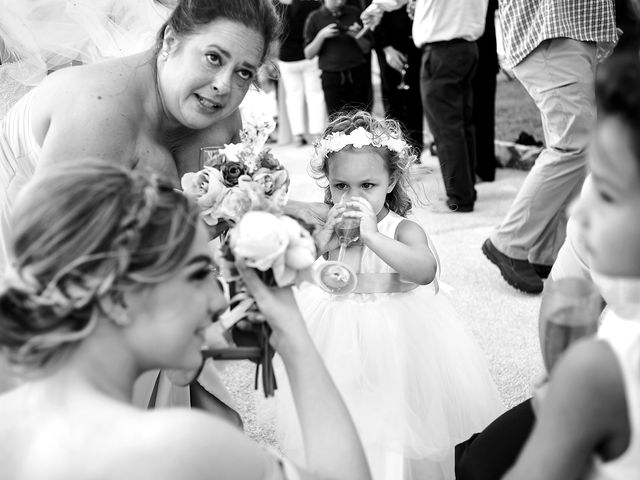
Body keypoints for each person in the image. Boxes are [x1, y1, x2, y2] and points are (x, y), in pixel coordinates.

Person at [0, 159, 372, 480]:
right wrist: (293, 335)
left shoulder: (11, 421)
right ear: (116, 297)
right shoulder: (175, 446)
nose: (216, 300)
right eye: (197, 275)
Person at [0, 0, 280, 424]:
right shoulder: (100, 110)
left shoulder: (220, 121)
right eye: (213, 57)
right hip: (42, 250)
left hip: (125, 265)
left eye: (244, 71)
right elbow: (54, 258)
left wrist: (252, 207)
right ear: (170, 41)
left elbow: (185, 234)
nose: (224, 85)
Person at [274, 111, 503, 480]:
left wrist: (373, 237)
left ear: (391, 180)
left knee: (395, 421)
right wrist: (322, 241)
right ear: (328, 184)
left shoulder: (401, 228)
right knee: (341, 410)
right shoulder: (327, 220)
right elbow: (293, 262)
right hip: (337, 332)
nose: (352, 196)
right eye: (341, 186)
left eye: (367, 186)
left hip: (395, 336)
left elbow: (424, 270)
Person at [455, 53, 640, 480]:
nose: (581, 208)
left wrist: (569, 404)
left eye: (608, 193)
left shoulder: (604, 370)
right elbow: (564, 289)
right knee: (477, 456)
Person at [480, 0, 618, 294]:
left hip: (566, 36)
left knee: (575, 148)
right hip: (552, 37)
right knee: (574, 147)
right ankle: (508, 242)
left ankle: (544, 251)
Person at [362, 0, 490, 213]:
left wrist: (377, 7)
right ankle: (466, 190)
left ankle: (459, 198)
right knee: (463, 124)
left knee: (446, 127)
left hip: (441, 50)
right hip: (468, 47)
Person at [303, 0, 373, 117]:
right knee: (337, 121)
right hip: (331, 77)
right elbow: (308, 54)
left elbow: (367, 48)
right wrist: (321, 36)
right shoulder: (315, 17)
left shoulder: (354, 13)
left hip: (357, 74)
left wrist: (355, 35)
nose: (340, 2)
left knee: (361, 118)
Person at [275, 0, 326, 147]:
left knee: (293, 98)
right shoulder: (312, 5)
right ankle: (316, 134)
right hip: (308, 56)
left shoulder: (275, 6)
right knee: (315, 95)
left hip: (286, 57)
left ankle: (297, 136)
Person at [373, 6, 424, 151]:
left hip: (414, 45)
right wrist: (386, 48)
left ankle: (415, 152)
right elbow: (373, 20)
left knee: (415, 98)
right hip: (388, 47)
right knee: (392, 99)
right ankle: (394, 150)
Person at [472, 0, 500, 183]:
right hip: (486, 53)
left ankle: (481, 168)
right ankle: (485, 167)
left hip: (476, 53)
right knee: (484, 114)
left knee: (475, 115)